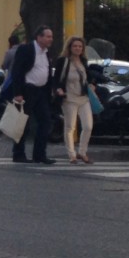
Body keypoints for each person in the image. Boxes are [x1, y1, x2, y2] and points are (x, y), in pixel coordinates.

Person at [5, 24, 56, 164]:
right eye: (48, 36)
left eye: (51, 36)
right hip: (27, 90)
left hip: (41, 91)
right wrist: (18, 92)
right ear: (39, 37)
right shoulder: (26, 49)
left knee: (45, 121)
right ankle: (18, 153)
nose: (50, 39)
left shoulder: (47, 52)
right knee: (22, 123)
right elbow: (17, 71)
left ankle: (39, 154)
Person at [53, 36, 94, 164]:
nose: (77, 48)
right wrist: (58, 89)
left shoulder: (83, 61)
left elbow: (88, 77)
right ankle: (72, 154)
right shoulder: (63, 61)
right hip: (69, 98)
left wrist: (92, 84)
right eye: (75, 46)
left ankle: (82, 151)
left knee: (88, 126)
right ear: (70, 47)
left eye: (80, 46)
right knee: (70, 126)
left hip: (83, 98)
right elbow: (56, 79)